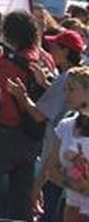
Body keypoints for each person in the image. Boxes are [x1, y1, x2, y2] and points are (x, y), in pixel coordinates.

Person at [0, 10, 55, 219]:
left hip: (6, 132)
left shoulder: (10, 64)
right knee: (22, 193)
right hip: (34, 135)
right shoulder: (45, 58)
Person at [44, 67, 89, 222]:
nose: (66, 95)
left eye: (71, 89)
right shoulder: (66, 126)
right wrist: (76, 186)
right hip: (72, 210)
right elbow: (51, 169)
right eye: (65, 89)